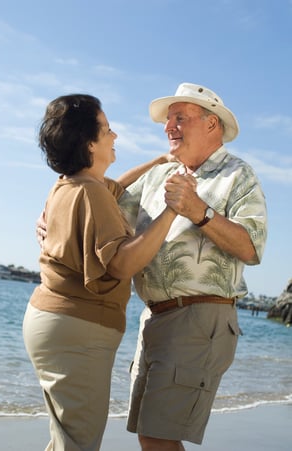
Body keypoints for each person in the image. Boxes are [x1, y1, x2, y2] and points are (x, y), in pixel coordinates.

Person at [116, 82, 268, 450]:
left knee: (158, 437)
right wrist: (57, 213)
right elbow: (108, 209)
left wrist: (199, 211)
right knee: (150, 437)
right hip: (152, 319)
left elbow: (251, 248)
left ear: (211, 124)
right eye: (168, 120)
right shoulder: (156, 176)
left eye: (180, 118)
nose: (169, 127)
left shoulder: (239, 175)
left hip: (200, 319)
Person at [23, 93, 177, 451]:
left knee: (66, 439)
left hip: (52, 323)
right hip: (78, 330)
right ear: (89, 143)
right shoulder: (90, 194)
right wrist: (173, 211)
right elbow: (123, 262)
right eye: (107, 129)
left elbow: (117, 187)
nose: (115, 136)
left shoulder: (72, 184)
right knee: (79, 442)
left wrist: (158, 161)